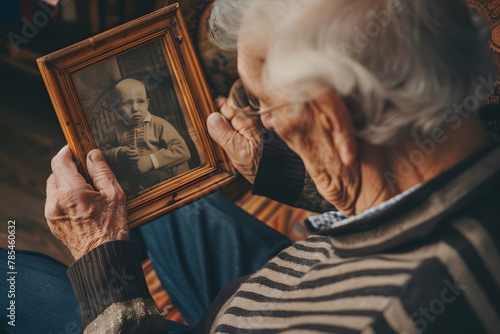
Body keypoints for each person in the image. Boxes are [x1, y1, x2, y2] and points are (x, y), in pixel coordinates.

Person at [2, 0, 500, 333]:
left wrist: (101, 264)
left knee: (13, 282)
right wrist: (279, 166)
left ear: (331, 123)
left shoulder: (394, 314)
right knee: (166, 193)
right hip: (276, 287)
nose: (260, 120)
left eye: (263, 104)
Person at [101, 78, 191, 195]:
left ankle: (141, 194)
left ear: (147, 103)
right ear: (118, 108)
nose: (135, 108)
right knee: (119, 188)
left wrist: (150, 161)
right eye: (128, 103)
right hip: (130, 178)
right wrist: (119, 152)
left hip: (158, 175)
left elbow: (183, 151)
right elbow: (103, 152)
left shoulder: (159, 124)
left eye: (140, 101)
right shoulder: (115, 129)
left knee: (158, 177)